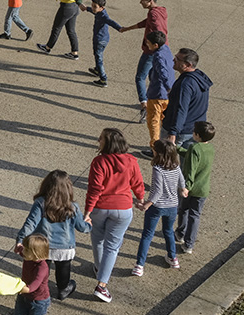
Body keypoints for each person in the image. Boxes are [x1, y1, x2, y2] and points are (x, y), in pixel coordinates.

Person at [83, 128, 145, 303]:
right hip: (123, 209)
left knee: (97, 240)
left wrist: (87, 212)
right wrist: (140, 199)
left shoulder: (99, 162)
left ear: (108, 143)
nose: (98, 140)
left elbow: (94, 190)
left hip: (101, 208)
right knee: (112, 246)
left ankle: (99, 268)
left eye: (101, 138)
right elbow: (138, 183)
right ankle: (102, 285)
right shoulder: (132, 161)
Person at [14, 170, 91, 301]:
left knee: (43, 268)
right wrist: (89, 224)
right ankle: (63, 289)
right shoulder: (73, 207)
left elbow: (30, 223)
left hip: (44, 245)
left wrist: (20, 239)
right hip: (65, 247)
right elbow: (81, 227)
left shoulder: (40, 203)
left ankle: (41, 287)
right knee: (64, 268)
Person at [132, 141, 183, 276]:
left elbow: (157, 191)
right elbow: (181, 181)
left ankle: (139, 265)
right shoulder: (176, 167)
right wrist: (183, 190)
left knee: (147, 234)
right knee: (168, 231)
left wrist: (146, 205)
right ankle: (173, 258)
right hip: (172, 205)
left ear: (158, 153)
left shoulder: (158, 169)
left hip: (157, 206)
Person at [120, 0, 169, 119]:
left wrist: (152, 44)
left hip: (151, 52)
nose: (140, 2)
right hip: (161, 50)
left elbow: (159, 30)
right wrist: (128, 28)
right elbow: (145, 22)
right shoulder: (161, 10)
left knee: (140, 77)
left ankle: (145, 105)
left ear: (150, 1)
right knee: (154, 76)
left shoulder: (153, 14)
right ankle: (156, 101)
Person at [176, 120, 216, 254]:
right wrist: (177, 149)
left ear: (197, 135)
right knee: (195, 215)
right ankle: (189, 244)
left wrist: (186, 186)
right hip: (203, 189)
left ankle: (180, 234)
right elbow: (191, 157)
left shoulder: (194, 148)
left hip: (192, 188)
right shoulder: (209, 148)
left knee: (183, 210)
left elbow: (191, 170)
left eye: (194, 131)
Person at [162, 48, 212, 145]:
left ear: (188, 65)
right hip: (193, 129)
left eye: (177, 59)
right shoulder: (199, 78)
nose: (173, 60)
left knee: (166, 159)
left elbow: (181, 109)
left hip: (180, 132)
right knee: (187, 159)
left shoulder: (185, 84)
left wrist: (172, 133)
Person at [143, 31, 175, 153]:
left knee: (153, 121)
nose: (147, 44)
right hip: (166, 94)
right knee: (164, 120)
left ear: (155, 45)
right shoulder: (166, 49)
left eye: (148, 43)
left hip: (157, 93)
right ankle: (164, 144)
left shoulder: (157, 56)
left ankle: (155, 148)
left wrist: (167, 87)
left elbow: (162, 72)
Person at [82, 0, 123, 88]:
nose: (92, 8)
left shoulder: (104, 16)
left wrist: (120, 28)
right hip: (102, 39)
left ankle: (103, 79)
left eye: (94, 6)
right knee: (97, 55)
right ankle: (97, 70)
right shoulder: (98, 12)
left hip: (100, 40)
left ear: (102, 8)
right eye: (92, 5)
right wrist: (86, 9)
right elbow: (93, 11)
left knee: (98, 58)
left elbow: (111, 22)